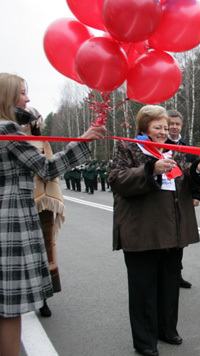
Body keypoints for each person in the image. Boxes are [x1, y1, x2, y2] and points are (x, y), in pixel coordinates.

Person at [0, 72, 105, 356]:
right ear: (9, 97)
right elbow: (46, 168)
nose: (28, 98)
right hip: (10, 223)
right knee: (9, 309)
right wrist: (83, 141)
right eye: (23, 92)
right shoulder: (8, 130)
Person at [108, 105, 200, 356]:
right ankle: (145, 340)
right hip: (141, 231)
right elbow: (116, 179)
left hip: (172, 230)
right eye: (157, 127)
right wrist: (150, 169)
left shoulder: (172, 150)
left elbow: (185, 177)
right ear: (144, 127)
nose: (163, 132)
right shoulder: (128, 148)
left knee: (169, 285)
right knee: (143, 288)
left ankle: (167, 329)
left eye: (166, 128)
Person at [22, 107, 65, 318]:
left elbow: (51, 169)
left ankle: (43, 296)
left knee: (45, 245)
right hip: (13, 202)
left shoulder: (42, 142)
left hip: (41, 200)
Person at [167, 109, 200, 289]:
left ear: (182, 125)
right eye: (170, 123)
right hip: (163, 201)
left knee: (180, 239)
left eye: (177, 124)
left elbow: (195, 172)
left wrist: (196, 195)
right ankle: (165, 275)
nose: (173, 127)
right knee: (166, 238)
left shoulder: (187, 146)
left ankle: (176, 274)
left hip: (182, 198)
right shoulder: (158, 144)